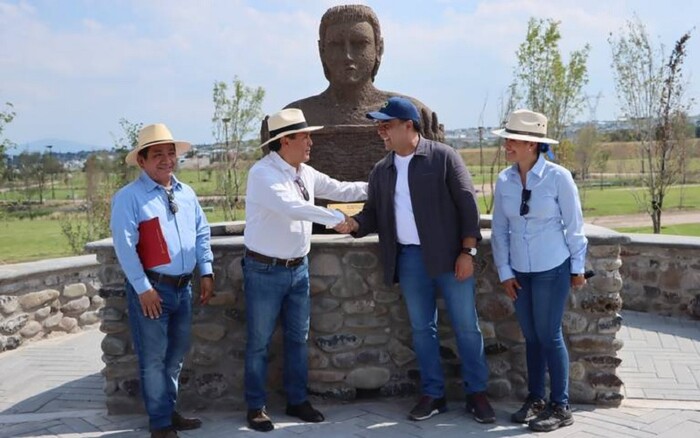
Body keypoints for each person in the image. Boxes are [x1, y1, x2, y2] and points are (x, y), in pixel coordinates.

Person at [337, 97, 495, 424]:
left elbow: (469, 208)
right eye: (379, 126)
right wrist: (353, 224)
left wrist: (468, 252)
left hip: (452, 258)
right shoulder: (382, 170)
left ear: (409, 126)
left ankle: (477, 394)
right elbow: (373, 214)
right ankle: (434, 394)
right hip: (409, 259)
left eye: (387, 125)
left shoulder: (444, 158)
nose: (381, 132)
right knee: (423, 330)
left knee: (467, 327)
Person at [243, 108, 368, 432]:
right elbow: (292, 207)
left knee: (299, 340)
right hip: (265, 270)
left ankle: (297, 401)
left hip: (298, 270)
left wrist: (379, 184)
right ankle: (256, 407)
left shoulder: (304, 172)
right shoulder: (263, 174)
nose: (311, 142)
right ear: (285, 141)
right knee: (259, 342)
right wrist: (337, 219)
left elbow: (340, 189)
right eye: (305, 136)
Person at [110, 124, 214, 438]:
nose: (167, 160)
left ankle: (168, 411)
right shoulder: (129, 198)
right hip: (153, 291)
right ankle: (160, 423)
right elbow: (125, 247)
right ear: (141, 161)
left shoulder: (186, 192)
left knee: (174, 358)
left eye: (171, 153)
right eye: (158, 155)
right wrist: (143, 289)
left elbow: (201, 233)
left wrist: (205, 270)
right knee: (153, 360)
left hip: (183, 289)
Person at [490, 109, 588, 433]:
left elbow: (575, 227)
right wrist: (504, 271)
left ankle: (560, 406)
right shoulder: (504, 180)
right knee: (531, 336)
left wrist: (577, 268)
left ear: (532, 145)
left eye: (512, 139)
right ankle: (536, 398)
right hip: (520, 271)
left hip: (552, 268)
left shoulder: (559, 177)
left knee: (549, 335)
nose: (507, 144)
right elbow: (500, 229)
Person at [282, 4, 442, 140]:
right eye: (336, 44)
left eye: (360, 43)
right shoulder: (295, 117)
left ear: (378, 49)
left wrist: (433, 153)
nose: (347, 55)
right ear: (321, 50)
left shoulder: (411, 114)